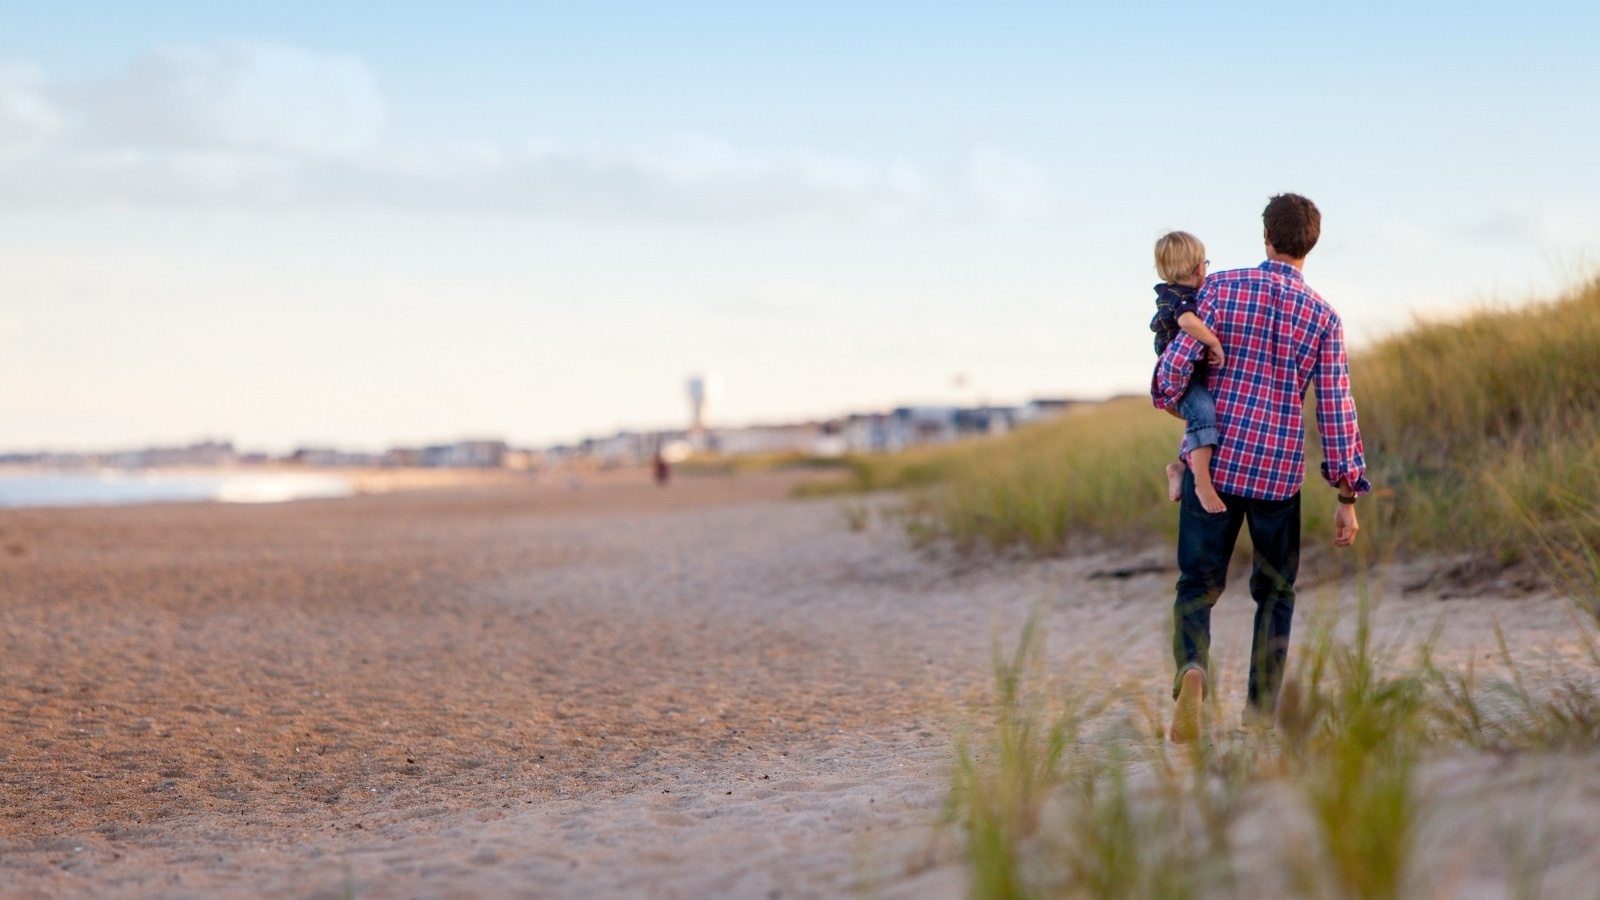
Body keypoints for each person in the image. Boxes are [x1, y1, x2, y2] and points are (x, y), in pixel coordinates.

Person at [1152, 193, 1369, 743]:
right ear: (1310, 244)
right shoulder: (1324, 316)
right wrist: (1346, 497)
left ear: (1265, 237)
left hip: (1217, 466)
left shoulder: (1220, 287)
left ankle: (1193, 670)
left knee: (1196, 587)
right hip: (1277, 476)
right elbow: (1336, 408)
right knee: (1275, 594)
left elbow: (1173, 370)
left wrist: (1175, 397)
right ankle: (1260, 715)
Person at [1149, 231, 1228, 514]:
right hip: (1181, 379)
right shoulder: (1180, 298)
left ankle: (1180, 468)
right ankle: (1202, 484)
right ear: (1198, 267)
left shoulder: (1176, 293)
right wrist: (1213, 341)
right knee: (1204, 413)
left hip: (1188, 375)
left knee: (1199, 418)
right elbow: (1186, 322)